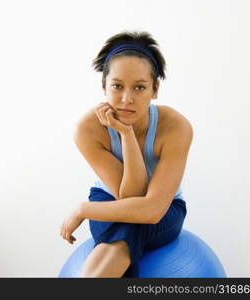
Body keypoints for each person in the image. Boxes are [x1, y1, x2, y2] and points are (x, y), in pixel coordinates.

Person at [60, 31, 193, 278]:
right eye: (117, 86)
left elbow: (150, 209)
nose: (126, 99)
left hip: (165, 209)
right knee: (127, 226)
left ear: (155, 89)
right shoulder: (87, 129)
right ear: (104, 87)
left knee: (132, 227)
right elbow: (128, 197)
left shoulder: (176, 126)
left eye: (140, 87)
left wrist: (82, 209)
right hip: (108, 199)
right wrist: (126, 134)